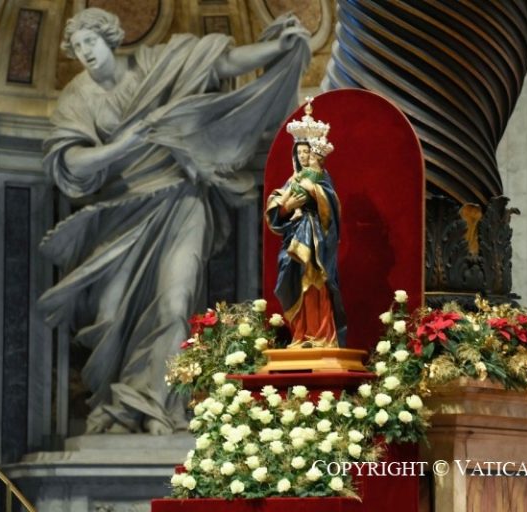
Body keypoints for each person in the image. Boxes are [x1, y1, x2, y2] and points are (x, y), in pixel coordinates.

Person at [38, 8, 310, 434]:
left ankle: (158, 406)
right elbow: (70, 161)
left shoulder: (156, 64)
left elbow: (221, 61)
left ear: (110, 37)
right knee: (109, 317)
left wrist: (278, 47)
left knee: (175, 304)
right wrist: (125, 144)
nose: (85, 52)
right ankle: (119, 406)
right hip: (120, 215)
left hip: (182, 202)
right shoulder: (79, 95)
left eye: (90, 41)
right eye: (77, 46)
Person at [265, 102, 347, 348]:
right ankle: (300, 334)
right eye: (299, 152)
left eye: (306, 152)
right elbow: (276, 209)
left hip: (317, 240)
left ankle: (321, 336)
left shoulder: (321, 178)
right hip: (293, 238)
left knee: (315, 284)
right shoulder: (292, 180)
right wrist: (287, 207)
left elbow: (331, 204)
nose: (302, 156)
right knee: (292, 280)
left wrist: (314, 192)